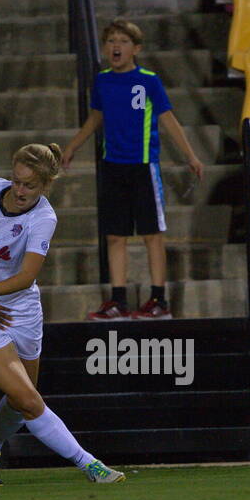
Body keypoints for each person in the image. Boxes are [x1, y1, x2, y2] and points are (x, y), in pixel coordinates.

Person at [0, 144, 127, 486]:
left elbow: (27, 276)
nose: (19, 190)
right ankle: (90, 465)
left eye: (29, 185)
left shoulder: (43, 218)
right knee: (29, 400)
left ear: (46, 185)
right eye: (16, 181)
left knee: (21, 399)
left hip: (21, 310)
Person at [61, 19, 204, 321]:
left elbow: (168, 120)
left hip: (142, 167)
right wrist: (72, 146)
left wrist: (190, 155)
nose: (116, 46)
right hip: (112, 166)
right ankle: (118, 301)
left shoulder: (149, 80)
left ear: (136, 48)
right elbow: (95, 117)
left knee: (152, 234)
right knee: (115, 235)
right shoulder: (101, 80)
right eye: (111, 40)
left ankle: (159, 300)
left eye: (123, 41)